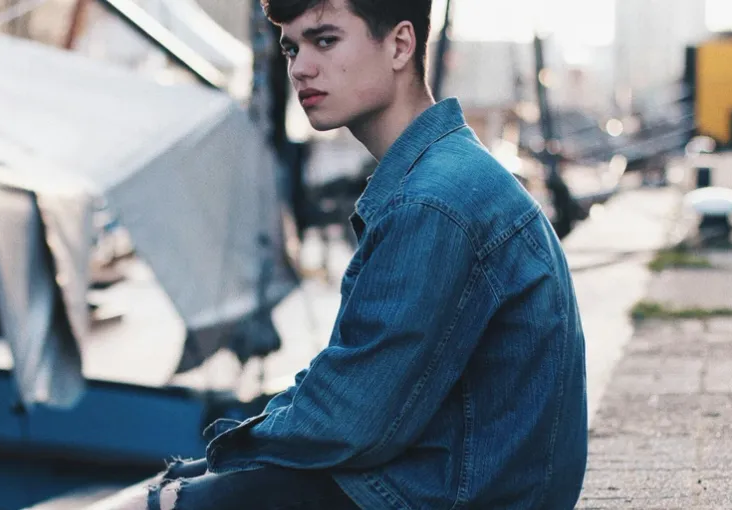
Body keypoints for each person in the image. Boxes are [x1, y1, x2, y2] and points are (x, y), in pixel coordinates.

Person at [91, 0, 587, 508]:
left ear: (400, 45)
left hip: (452, 494)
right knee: (166, 493)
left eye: (325, 41)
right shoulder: (445, 173)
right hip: (458, 479)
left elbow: (350, 418)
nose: (301, 68)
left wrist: (219, 460)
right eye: (292, 49)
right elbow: (353, 387)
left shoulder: (433, 200)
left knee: (151, 503)